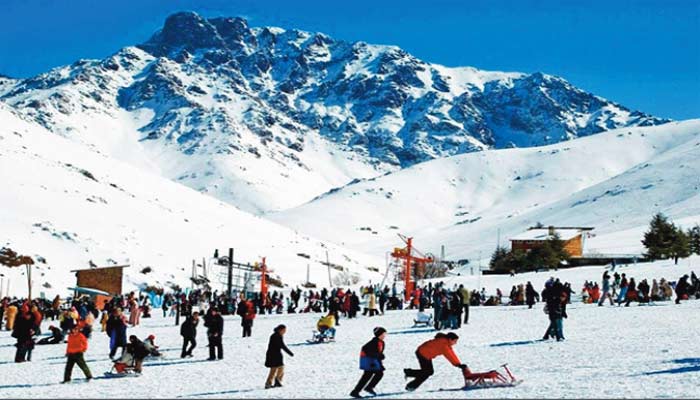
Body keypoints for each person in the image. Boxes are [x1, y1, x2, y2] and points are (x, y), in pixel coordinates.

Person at [350, 327, 387, 398]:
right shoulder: (374, 342)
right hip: (369, 361)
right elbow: (366, 349)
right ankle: (361, 390)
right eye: (384, 334)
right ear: (380, 334)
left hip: (373, 361)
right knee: (372, 375)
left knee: (372, 375)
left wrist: (380, 358)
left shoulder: (381, 342)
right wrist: (377, 356)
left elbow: (378, 353)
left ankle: (358, 390)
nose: (385, 335)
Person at [264, 324, 294, 389]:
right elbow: (282, 345)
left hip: (277, 354)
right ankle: (268, 383)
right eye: (284, 330)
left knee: (281, 367)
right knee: (274, 369)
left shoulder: (278, 335)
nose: (285, 332)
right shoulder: (276, 336)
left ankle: (278, 381)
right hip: (273, 355)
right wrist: (290, 353)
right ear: (280, 330)